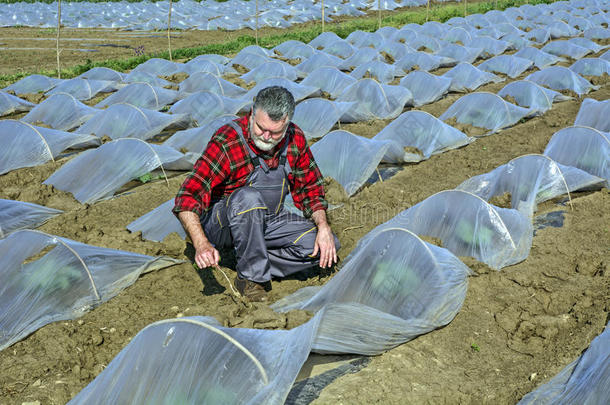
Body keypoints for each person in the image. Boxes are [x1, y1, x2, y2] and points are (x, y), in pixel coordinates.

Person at [173, 86, 340, 302]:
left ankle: (249, 261)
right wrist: (201, 243)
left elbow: (311, 189)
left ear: (287, 124)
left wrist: (323, 227)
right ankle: (250, 280)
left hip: (266, 219)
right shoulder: (229, 140)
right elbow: (187, 196)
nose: (267, 136)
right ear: (252, 114)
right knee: (248, 198)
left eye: (275, 132)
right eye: (261, 128)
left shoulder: (294, 138)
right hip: (222, 224)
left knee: (325, 248)